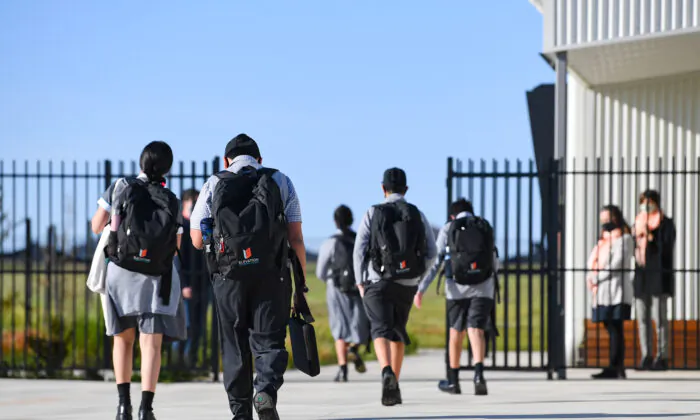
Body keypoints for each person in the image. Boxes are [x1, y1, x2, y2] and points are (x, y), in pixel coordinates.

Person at [190, 133, 305, 420]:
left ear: (226, 160)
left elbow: (194, 238)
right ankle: (264, 391)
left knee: (234, 344)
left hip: (228, 278)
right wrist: (299, 285)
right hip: (272, 274)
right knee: (269, 341)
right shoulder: (281, 180)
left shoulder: (214, 183)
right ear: (260, 160)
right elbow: (296, 237)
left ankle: (240, 413)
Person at [90, 141, 186, 420]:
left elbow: (97, 226)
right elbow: (176, 245)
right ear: (168, 167)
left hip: (120, 273)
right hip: (155, 277)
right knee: (151, 343)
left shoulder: (120, 187)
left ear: (141, 162)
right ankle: (146, 408)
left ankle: (123, 406)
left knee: (122, 340)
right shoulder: (170, 199)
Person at [353, 167, 437, 407]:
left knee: (380, 330)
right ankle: (395, 386)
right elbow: (432, 252)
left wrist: (360, 281)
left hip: (377, 281)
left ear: (383, 188)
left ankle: (386, 370)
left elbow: (360, 249)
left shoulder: (373, 212)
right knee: (398, 331)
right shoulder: (417, 214)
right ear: (406, 189)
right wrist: (418, 275)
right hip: (407, 283)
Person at [414, 198, 498, 396]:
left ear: (453, 215)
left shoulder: (449, 227)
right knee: (476, 329)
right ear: (471, 211)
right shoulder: (484, 227)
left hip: (456, 288)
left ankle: (453, 381)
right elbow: (494, 258)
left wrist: (421, 289)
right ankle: (478, 376)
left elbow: (436, 261)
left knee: (456, 332)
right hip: (483, 286)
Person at [316, 205, 369, 382]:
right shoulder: (359, 240)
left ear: (335, 221)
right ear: (352, 220)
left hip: (336, 288)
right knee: (358, 324)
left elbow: (320, 272)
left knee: (339, 327)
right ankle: (354, 348)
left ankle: (343, 369)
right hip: (357, 286)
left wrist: (331, 281)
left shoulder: (330, 242)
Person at [586, 205, 634, 379]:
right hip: (603, 291)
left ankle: (616, 366)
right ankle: (614, 366)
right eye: (603, 220)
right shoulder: (603, 241)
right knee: (610, 327)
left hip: (617, 290)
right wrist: (591, 276)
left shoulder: (625, 238)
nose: (605, 223)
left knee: (616, 328)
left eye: (608, 219)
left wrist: (596, 278)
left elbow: (616, 264)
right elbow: (593, 261)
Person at [633, 190, 676, 371]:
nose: (646, 206)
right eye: (643, 202)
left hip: (659, 274)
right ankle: (646, 355)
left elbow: (667, 246)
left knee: (660, 318)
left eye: (649, 202)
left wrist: (652, 238)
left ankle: (662, 355)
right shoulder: (639, 222)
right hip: (642, 274)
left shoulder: (666, 223)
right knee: (642, 318)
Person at [172, 188, 211, 368]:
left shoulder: (201, 227)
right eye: (193, 203)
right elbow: (177, 258)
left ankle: (191, 364)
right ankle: (177, 363)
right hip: (186, 284)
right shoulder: (180, 226)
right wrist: (183, 285)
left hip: (203, 284)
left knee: (198, 328)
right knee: (184, 327)